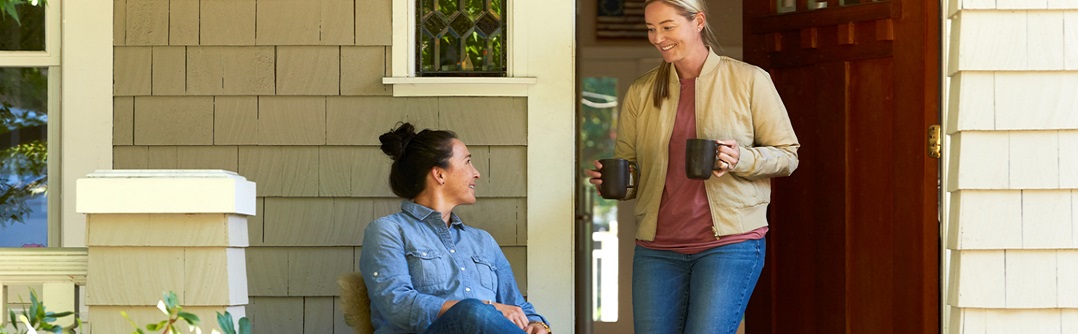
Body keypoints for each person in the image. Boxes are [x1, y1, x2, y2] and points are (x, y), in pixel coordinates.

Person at [585, 0, 800, 333]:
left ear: (698, 22)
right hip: (657, 250)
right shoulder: (641, 92)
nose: (658, 37)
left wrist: (740, 157)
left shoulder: (749, 80)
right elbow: (631, 166)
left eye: (667, 27)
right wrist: (615, 181)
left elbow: (788, 155)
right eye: (650, 28)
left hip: (728, 244)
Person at [360, 123, 551, 334]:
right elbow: (397, 304)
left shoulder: (483, 241)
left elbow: (517, 306)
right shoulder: (388, 231)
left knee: (475, 311)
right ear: (439, 175)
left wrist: (536, 324)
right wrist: (488, 307)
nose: (476, 173)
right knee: (471, 310)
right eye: (467, 162)